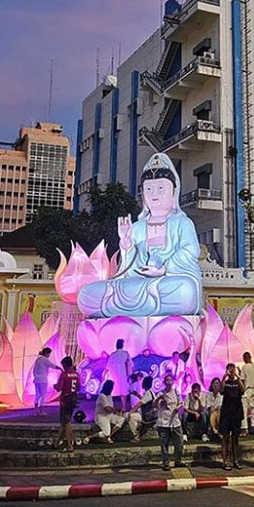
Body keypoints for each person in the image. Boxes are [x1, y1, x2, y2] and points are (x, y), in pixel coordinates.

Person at [77, 153, 203, 318]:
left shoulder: (182, 223)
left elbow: (191, 250)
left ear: (174, 193)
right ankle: (142, 306)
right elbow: (129, 269)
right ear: (143, 195)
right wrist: (127, 244)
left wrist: (164, 269)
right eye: (149, 189)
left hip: (168, 281)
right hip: (138, 284)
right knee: (87, 294)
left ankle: (134, 307)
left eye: (160, 188)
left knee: (185, 291)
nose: (154, 194)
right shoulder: (136, 227)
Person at [219, 364, 246, 470]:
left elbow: (243, 390)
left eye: (233, 369)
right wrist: (224, 377)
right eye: (229, 369)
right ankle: (225, 461)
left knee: (235, 439)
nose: (231, 371)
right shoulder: (225, 383)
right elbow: (221, 390)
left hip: (236, 413)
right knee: (225, 438)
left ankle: (236, 460)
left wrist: (237, 376)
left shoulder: (237, 382)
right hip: (226, 414)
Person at [155, 374, 184, 470]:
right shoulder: (160, 393)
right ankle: (166, 463)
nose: (169, 382)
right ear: (164, 382)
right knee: (164, 444)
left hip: (175, 421)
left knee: (179, 442)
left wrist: (177, 408)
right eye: (167, 380)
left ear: (173, 382)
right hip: (163, 422)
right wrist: (159, 398)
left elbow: (181, 403)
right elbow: (154, 404)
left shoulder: (176, 392)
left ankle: (178, 461)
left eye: (170, 380)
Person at [55, 356, 81, 452]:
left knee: (66, 423)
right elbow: (78, 388)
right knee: (64, 422)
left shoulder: (64, 374)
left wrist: (55, 386)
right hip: (73, 399)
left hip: (65, 400)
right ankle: (56, 443)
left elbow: (59, 387)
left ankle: (70, 445)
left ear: (65, 365)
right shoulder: (76, 374)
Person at [127, 375, 156, 442]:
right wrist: (137, 395)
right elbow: (144, 400)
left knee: (131, 417)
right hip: (148, 414)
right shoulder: (150, 392)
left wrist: (131, 412)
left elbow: (139, 404)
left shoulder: (148, 393)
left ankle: (136, 436)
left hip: (147, 416)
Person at [33, 348, 61, 415]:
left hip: (36, 380)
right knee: (43, 395)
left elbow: (34, 370)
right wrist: (60, 368)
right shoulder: (45, 360)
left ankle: (36, 411)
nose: (49, 355)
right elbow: (53, 365)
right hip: (43, 380)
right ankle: (41, 411)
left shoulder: (38, 359)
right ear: (46, 353)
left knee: (37, 395)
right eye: (49, 353)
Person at [106, 339, 133, 410]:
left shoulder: (113, 354)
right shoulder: (125, 353)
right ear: (122, 345)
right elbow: (131, 364)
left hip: (114, 375)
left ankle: (112, 407)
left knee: (113, 390)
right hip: (123, 374)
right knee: (123, 391)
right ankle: (123, 406)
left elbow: (107, 366)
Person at [240, 351, 254, 434]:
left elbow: (242, 379)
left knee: (244, 409)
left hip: (246, 389)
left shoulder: (244, 367)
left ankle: (244, 428)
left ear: (245, 358)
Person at [206, 378, 223, 442]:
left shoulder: (221, 396)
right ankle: (214, 430)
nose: (216, 385)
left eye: (217, 383)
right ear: (212, 385)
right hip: (210, 411)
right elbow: (208, 405)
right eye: (214, 383)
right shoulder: (208, 394)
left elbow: (220, 406)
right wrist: (212, 408)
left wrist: (216, 409)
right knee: (212, 413)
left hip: (218, 412)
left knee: (218, 414)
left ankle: (215, 430)